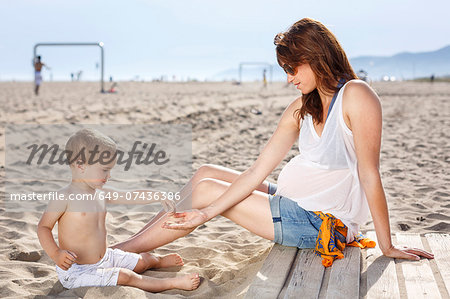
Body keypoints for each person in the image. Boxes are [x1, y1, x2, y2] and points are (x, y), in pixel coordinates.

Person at [110, 18, 434, 264]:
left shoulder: (356, 96)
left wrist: (387, 244)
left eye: (293, 68)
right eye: (285, 70)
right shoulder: (301, 107)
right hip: (294, 202)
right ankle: (128, 250)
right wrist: (205, 211)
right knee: (205, 173)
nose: (289, 78)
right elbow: (256, 171)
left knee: (207, 191)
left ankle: (117, 254)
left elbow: (369, 173)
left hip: (321, 222)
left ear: (315, 56)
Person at [37, 128, 200, 292]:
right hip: (77, 270)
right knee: (125, 276)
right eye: (104, 170)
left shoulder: (100, 193)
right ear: (80, 165)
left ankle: (157, 261)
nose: (109, 176)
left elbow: (130, 196)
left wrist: (157, 195)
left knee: (142, 261)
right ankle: (172, 283)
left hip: (106, 257)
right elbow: (44, 227)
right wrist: (56, 254)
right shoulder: (64, 197)